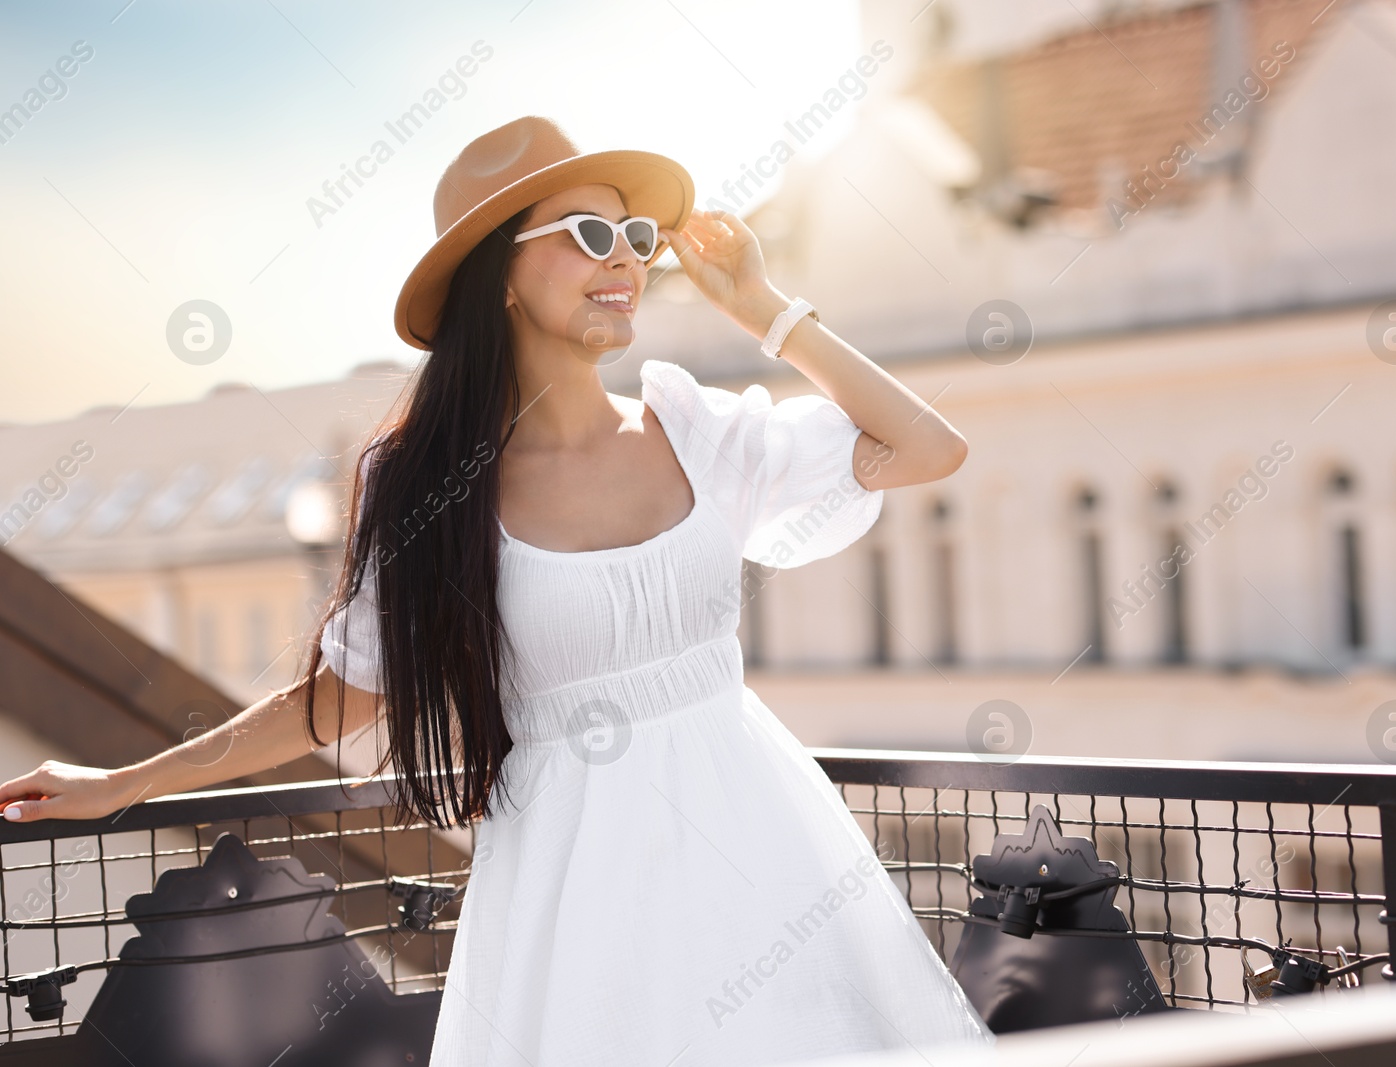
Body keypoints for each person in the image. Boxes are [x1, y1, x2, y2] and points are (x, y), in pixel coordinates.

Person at [0, 116, 995, 1065]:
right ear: (504, 277)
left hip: (765, 851)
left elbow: (927, 445)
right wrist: (125, 781)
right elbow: (335, 700)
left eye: (637, 235)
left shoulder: (698, 429)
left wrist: (767, 310)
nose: (628, 259)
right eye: (592, 233)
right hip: (580, 894)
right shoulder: (436, 491)